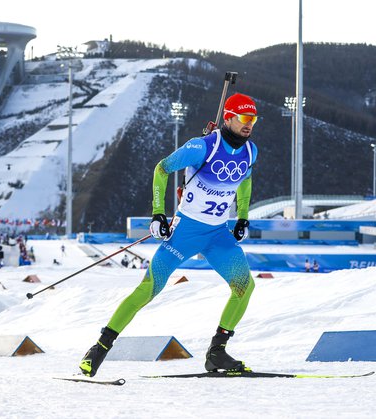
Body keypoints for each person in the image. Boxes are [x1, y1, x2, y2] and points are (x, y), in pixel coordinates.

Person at [79, 93, 260, 377]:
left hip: (217, 234)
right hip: (185, 232)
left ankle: (217, 353)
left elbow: (245, 181)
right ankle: (99, 349)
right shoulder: (202, 147)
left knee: (244, 287)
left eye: (253, 119)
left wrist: (243, 217)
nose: (250, 124)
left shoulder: (250, 151)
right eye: (245, 118)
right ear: (229, 118)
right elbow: (162, 169)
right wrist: (157, 213)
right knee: (148, 289)